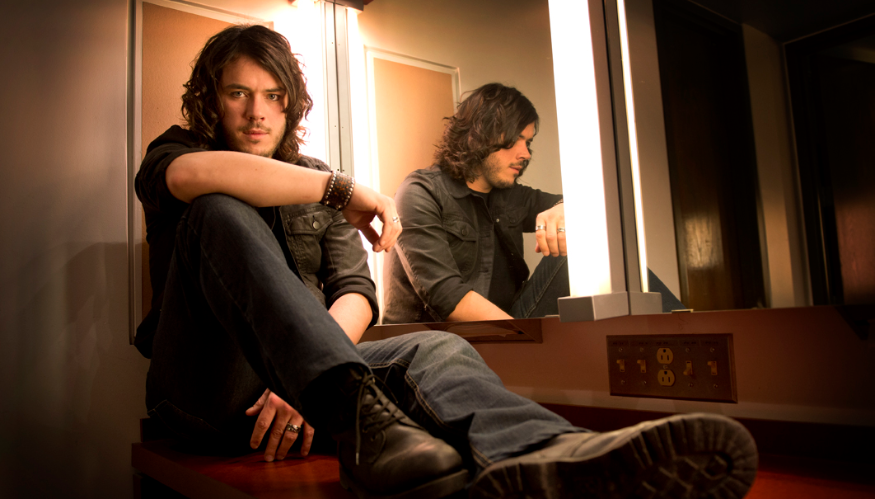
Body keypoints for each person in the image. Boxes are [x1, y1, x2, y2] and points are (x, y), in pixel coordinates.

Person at [135, 24, 756, 499]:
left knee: (437, 347)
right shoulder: (180, 153)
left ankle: (552, 453)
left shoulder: (314, 173)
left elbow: (355, 291)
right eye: (239, 93)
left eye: (273, 96)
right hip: (208, 388)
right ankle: (349, 403)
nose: (257, 112)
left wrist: (304, 375)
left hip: (317, 398)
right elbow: (192, 178)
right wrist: (342, 191)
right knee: (218, 208)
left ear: (290, 104)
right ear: (213, 99)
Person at [383, 83, 685, 325]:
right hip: (438, 342)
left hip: (506, 330)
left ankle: (686, 329)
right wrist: (527, 341)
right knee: (567, 258)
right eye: (516, 140)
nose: (525, 153)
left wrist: (565, 209)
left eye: (528, 142)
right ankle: (686, 330)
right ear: (479, 135)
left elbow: (593, 209)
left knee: (584, 245)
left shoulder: (510, 196)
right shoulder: (420, 193)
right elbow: (448, 298)